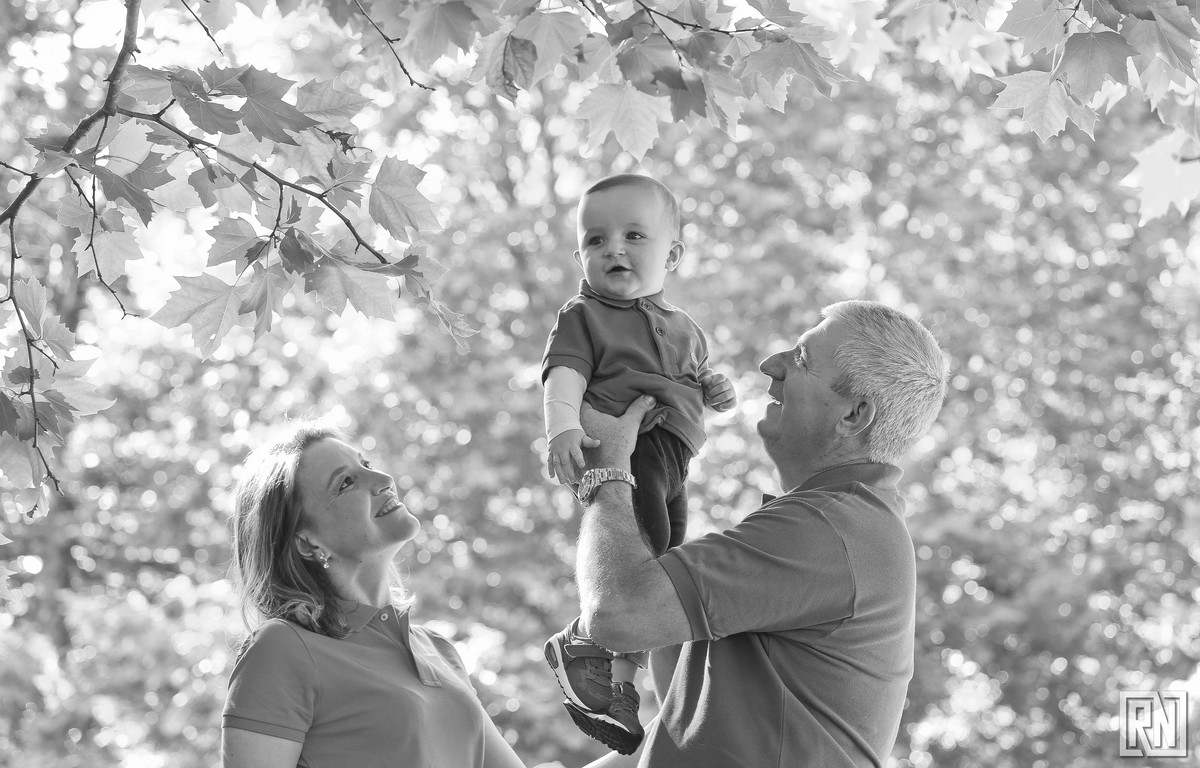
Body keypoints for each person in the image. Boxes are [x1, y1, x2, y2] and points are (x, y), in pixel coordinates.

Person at [571, 300, 948, 767]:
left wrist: (607, 472)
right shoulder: (845, 523)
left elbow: (617, 614)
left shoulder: (826, 530)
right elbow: (681, 720)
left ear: (853, 415)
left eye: (802, 359)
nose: (771, 365)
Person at [539, 173, 736, 754]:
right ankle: (589, 645)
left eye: (633, 235)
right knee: (641, 553)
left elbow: (697, 379)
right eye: (596, 240)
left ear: (671, 254)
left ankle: (619, 682)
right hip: (636, 445)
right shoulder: (584, 315)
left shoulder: (686, 328)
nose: (614, 250)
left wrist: (717, 389)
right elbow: (563, 376)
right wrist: (562, 428)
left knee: (665, 565)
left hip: (676, 457)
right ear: (579, 258)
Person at [221, 422, 525, 768]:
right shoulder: (282, 648)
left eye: (366, 464)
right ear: (307, 541)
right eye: (346, 482)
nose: (383, 479)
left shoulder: (438, 649)